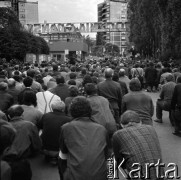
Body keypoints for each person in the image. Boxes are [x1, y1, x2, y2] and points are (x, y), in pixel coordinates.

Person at [58, 96, 109, 180]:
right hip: (101, 176)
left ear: (71, 111)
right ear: (90, 111)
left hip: (75, 176)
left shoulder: (66, 127)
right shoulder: (101, 128)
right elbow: (107, 154)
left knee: (61, 158)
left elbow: (63, 152)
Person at [112, 110, 163, 180]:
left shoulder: (118, 134)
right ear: (140, 122)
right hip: (159, 175)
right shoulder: (151, 128)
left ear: (121, 125)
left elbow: (119, 160)